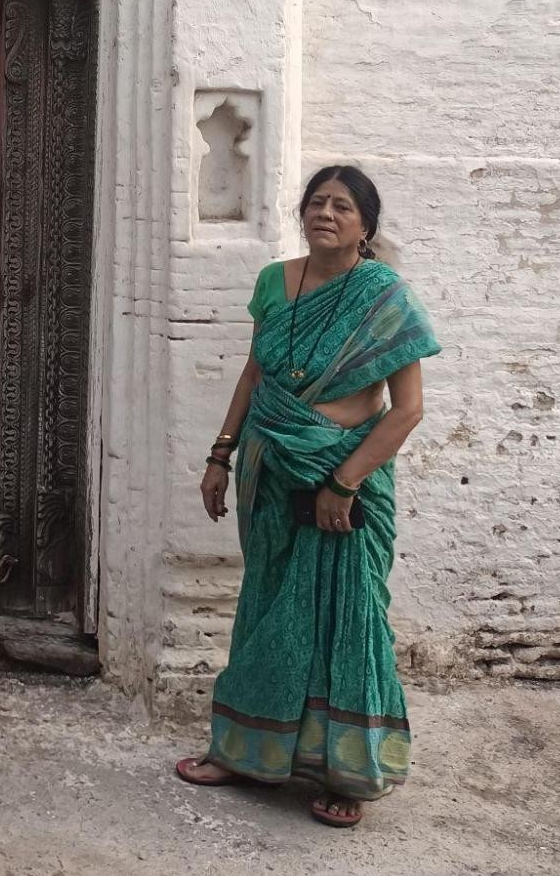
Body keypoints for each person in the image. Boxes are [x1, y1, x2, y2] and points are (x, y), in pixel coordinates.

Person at [174, 164, 440, 829]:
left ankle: (348, 770)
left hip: (345, 480)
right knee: (268, 610)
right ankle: (243, 748)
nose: (326, 212)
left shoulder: (383, 297)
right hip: (269, 470)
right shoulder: (274, 281)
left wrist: (343, 481)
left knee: (347, 618)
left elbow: (406, 410)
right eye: (317, 201)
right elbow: (256, 369)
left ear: (365, 225)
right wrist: (220, 451)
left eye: (342, 205)